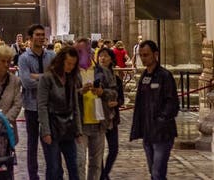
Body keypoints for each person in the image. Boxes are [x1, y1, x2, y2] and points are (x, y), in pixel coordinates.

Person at [130, 40, 179, 180]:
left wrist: (161, 120)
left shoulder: (165, 76)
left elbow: (172, 103)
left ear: (155, 54)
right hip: (148, 132)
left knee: (158, 172)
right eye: (141, 55)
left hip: (162, 133)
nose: (143, 58)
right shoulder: (144, 76)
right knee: (154, 172)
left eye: (146, 55)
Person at [37, 45, 82, 180]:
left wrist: (78, 130)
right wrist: (46, 131)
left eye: (73, 64)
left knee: (73, 165)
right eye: (68, 63)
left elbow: (75, 106)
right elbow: (42, 105)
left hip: (68, 126)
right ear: (61, 60)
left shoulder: (71, 78)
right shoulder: (47, 78)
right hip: (52, 126)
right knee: (54, 168)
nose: (70, 67)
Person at [18, 24, 55, 180]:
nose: (40, 37)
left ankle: (51, 175)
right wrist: (45, 78)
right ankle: (33, 176)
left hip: (49, 106)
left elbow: (56, 79)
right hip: (31, 106)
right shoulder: (24, 58)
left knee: (49, 143)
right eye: (37, 35)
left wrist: (36, 76)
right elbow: (26, 82)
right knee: (32, 144)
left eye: (42, 35)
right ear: (30, 38)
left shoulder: (51, 56)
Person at [94, 46, 124, 180]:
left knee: (114, 149)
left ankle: (104, 174)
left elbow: (121, 98)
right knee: (98, 150)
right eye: (100, 55)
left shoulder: (116, 79)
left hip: (112, 117)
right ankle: (102, 176)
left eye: (105, 55)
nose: (102, 58)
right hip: (99, 116)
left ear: (111, 59)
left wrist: (117, 103)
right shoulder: (95, 75)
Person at [77, 41, 106, 180]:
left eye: (86, 50)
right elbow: (64, 94)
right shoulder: (72, 71)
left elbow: (113, 91)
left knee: (96, 164)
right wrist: (79, 92)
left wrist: (103, 92)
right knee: (79, 162)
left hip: (98, 121)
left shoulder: (100, 70)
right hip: (80, 123)